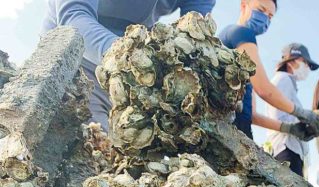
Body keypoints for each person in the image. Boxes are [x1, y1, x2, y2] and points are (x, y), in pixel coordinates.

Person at [43, 0, 217, 132]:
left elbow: (194, 34)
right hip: (72, 59)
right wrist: (130, 56)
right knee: (86, 145)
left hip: (132, 69)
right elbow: (74, 18)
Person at [219, 0, 319, 140]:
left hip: (235, 131)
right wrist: (301, 113)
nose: (265, 18)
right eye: (261, 10)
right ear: (244, 5)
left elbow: (251, 114)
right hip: (226, 132)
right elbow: (264, 89)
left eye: (270, 16)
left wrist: (289, 128)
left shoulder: (232, 40)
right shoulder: (242, 34)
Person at [265, 43, 319, 177]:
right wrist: (302, 126)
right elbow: (278, 117)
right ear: (292, 60)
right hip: (286, 149)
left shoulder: (287, 83)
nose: (306, 67)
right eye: (305, 62)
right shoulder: (283, 79)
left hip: (289, 149)